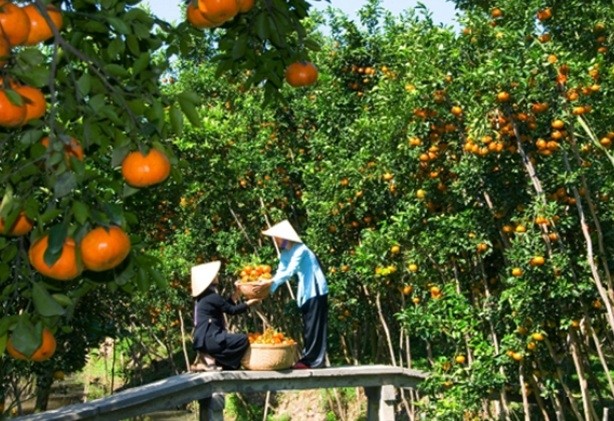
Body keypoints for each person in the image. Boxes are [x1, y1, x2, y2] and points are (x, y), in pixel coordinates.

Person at [262, 220, 329, 369]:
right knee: (308, 326)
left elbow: (290, 271)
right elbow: (281, 271)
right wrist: (268, 288)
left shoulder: (301, 250)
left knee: (315, 326)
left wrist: (268, 283)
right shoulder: (286, 253)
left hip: (315, 289)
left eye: (276, 237)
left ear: (284, 237)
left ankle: (314, 361)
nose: (275, 241)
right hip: (306, 291)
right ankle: (308, 359)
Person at [190, 260, 261, 371]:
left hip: (204, 341)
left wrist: (238, 293)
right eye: (215, 275)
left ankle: (209, 363)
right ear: (210, 279)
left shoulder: (205, 297)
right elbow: (231, 310)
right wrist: (249, 303)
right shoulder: (212, 296)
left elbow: (225, 305)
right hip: (211, 340)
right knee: (242, 340)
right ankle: (213, 361)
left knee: (232, 352)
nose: (217, 276)